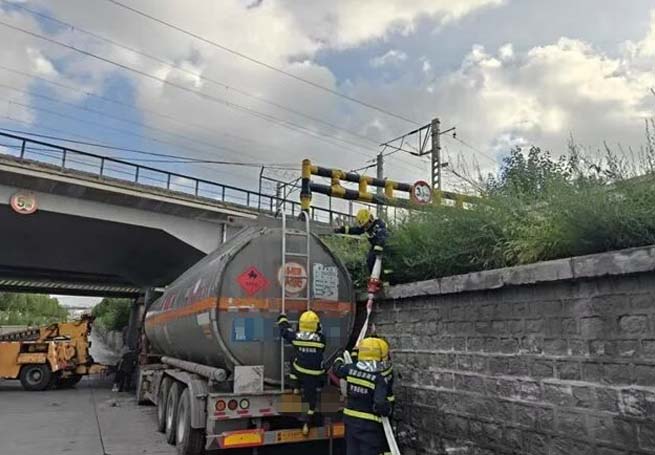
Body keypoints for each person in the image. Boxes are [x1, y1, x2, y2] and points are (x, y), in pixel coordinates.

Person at [333, 337, 392, 455]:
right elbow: (380, 403)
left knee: (352, 451)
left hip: (350, 422)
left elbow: (337, 369)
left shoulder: (351, 369)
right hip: (368, 427)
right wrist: (388, 410)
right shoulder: (378, 378)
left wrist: (339, 356)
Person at [277, 310, 326, 435]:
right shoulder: (321, 339)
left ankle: (295, 386)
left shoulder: (297, 338)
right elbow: (322, 347)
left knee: (293, 358)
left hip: (300, 371)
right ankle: (306, 423)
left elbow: (285, 332)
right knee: (311, 400)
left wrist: (282, 318)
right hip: (315, 375)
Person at [334, 208, 388, 274]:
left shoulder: (379, 225)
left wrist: (378, 247)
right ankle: (374, 277)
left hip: (385, 246)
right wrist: (342, 230)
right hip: (375, 246)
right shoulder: (367, 226)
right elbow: (356, 230)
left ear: (370, 219)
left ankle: (385, 277)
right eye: (364, 225)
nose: (365, 227)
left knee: (383, 263)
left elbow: (382, 236)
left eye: (366, 224)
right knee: (370, 261)